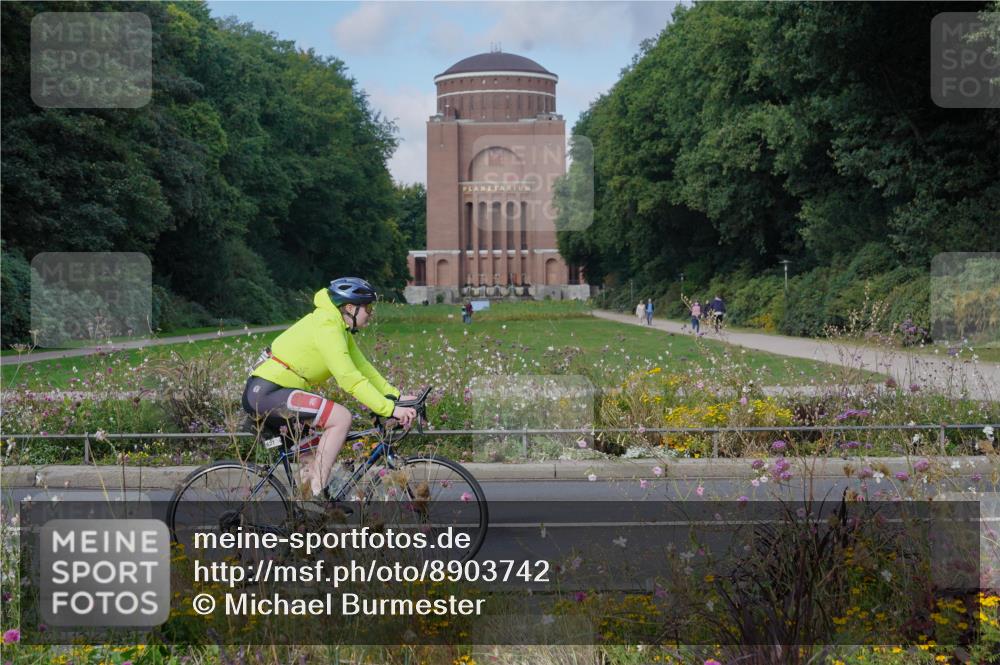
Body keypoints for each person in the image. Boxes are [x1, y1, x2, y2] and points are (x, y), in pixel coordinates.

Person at [242, 277, 417, 502]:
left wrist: (396, 396)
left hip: (277, 392)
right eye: (368, 308)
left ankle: (307, 518)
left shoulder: (338, 325)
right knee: (341, 418)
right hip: (267, 392)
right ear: (351, 308)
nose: (371, 314)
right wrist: (389, 409)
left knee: (315, 460)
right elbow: (348, 378)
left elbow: (363, 367)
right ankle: (316, 496)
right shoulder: (328, 326)